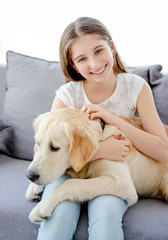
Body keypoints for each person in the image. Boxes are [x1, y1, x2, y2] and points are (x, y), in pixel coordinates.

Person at [37, 17, 168, 240]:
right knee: (57, 215)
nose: (95, 64)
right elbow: (44, 149)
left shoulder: (135, 87)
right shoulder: (67, 95)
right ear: (73, 65)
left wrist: (112, 118)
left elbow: (162, 151)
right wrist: (100, 151)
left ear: (112, 47)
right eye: (82, 58)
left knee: (106, 215)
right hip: (71, 172)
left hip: (111, 174)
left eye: (99, 51)